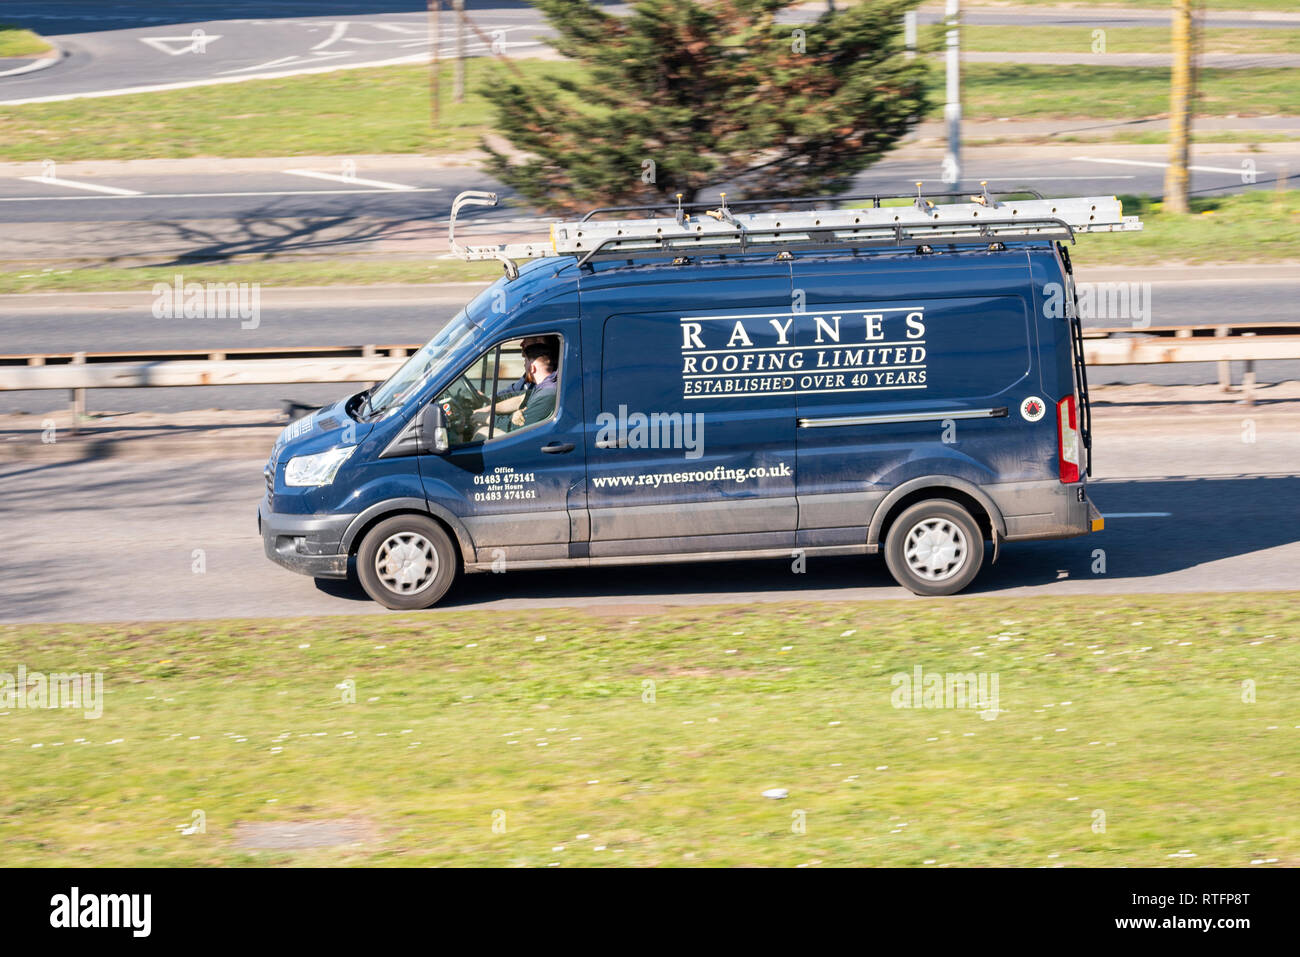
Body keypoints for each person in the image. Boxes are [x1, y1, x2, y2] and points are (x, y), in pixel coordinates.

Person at [495, 348, 557, 435]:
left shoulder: (547, 393)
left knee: (481, 431)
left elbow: (518, 427)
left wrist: (488, 419)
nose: (524, 367)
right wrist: (515, 414)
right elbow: (522, 400)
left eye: (525, 363)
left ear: (532, 368)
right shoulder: (543, 387)